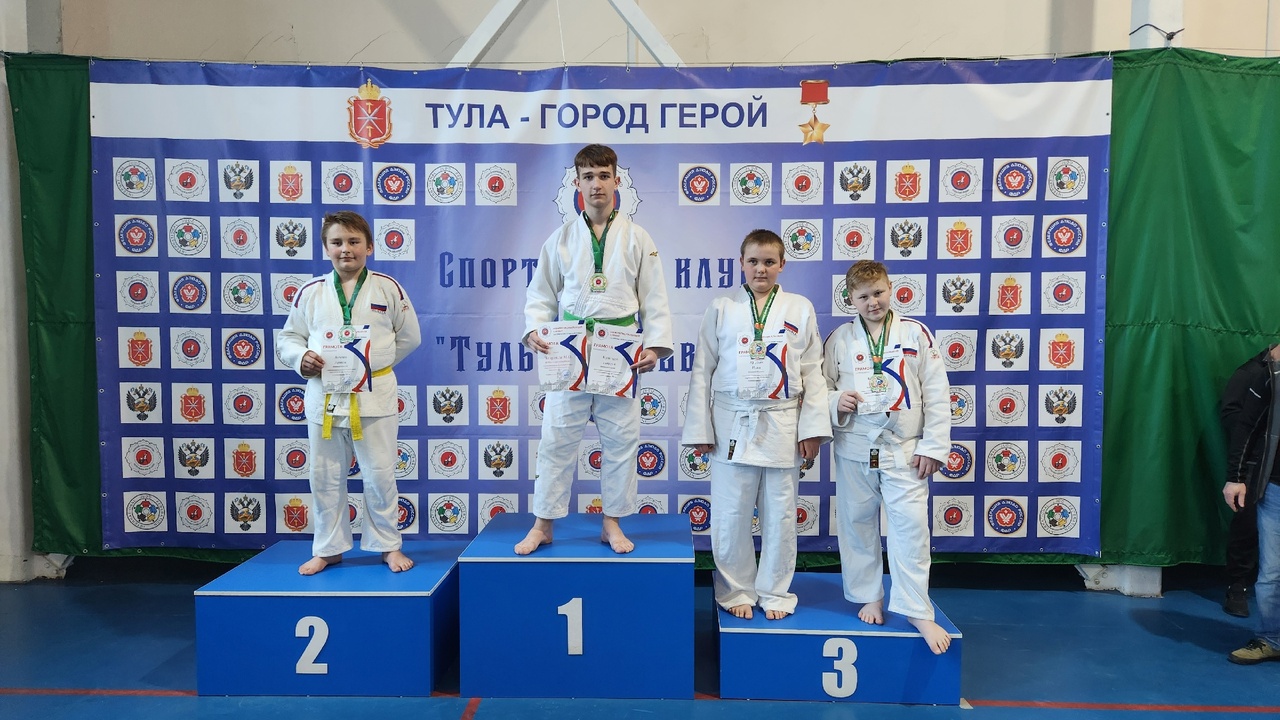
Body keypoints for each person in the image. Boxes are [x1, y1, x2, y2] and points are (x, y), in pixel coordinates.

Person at [517, 144, 673, 555]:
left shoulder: (638, 238)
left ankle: (612, 522)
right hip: (568, 348)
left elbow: (654, 297)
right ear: (577, 183)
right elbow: (540, 293)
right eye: (588, 177)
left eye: (604, 176)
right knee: (556, 439)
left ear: (616, 181)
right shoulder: (561, 238)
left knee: (621, 441)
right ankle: (543, 524)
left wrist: (656, 346)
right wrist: (533, 329)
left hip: (618, 351)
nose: (596, 184)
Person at [682, 229, 832, 620]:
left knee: (780, 515)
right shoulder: (721, 307)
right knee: (731, 514)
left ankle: (776, 593)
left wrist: (812, 429)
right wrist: (700, 429)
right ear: (741, 263)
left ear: (782, 264)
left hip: (783, 422)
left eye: (769, 262)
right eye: (753, 261)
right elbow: (703, 369)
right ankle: (736, 590)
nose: (761, 269)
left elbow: (813, 372)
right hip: (732, 421)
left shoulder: (799, 308)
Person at [278, 210, 422, 575]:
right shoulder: (310, 292)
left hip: (374, 396)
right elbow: (289, 337)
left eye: (354, 241)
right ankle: (329, 548)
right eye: (337, 242)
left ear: (369, 247)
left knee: (379, 474)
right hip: (325, 396)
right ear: (325, 248)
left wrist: (372, 366)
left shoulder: (388, 288)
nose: (346, 249)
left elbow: (410, 337)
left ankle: (387, 545)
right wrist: (301, 358)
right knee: (324, 476)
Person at [823, 259, 952, 654]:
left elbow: (937, 392)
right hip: (856, 446)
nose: (873, 302)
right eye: (863, 296)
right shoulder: (839, 339)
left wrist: (933, 446)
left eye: (878, 292)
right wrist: (834, 401)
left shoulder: (916, 333)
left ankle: (916, 609)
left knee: (911, 528)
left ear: (890, 288)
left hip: (905, 449)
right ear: (850, 298)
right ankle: (869, 596)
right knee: (856, 524)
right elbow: (820, 388)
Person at [1223, 343, 1280, 664]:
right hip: (1275, 488)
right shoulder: (1268, 373)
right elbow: (1245, 425)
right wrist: (1236, 477)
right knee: (1272, 573)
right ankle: (1271, 639)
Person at [1220, 351, 1266, 618]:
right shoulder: (1250, 373)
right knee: (1246, 525)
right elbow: (1232, 416)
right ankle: (1237, 585)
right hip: (1253, 463)